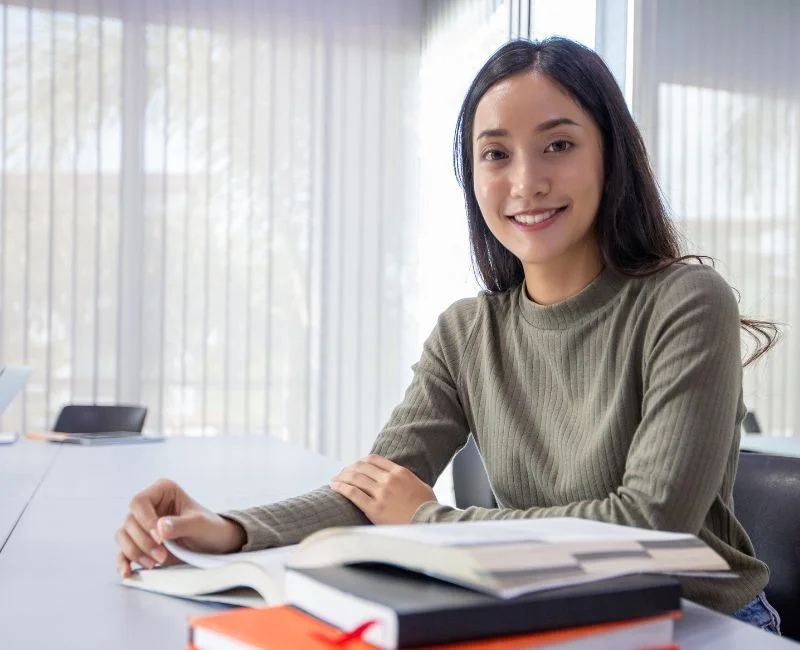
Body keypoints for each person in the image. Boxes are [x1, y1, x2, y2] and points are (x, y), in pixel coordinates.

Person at [114, 37, 781, 634]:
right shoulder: (467, 332)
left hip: (703, 624)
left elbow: (648, 523)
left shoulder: (686, 302)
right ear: (473, 176)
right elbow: (374, 492)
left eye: (559, 144)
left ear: (611, 155)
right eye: (496, 154)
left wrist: (430, 524)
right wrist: (228, 529)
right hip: (559, 617)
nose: (527, 182)